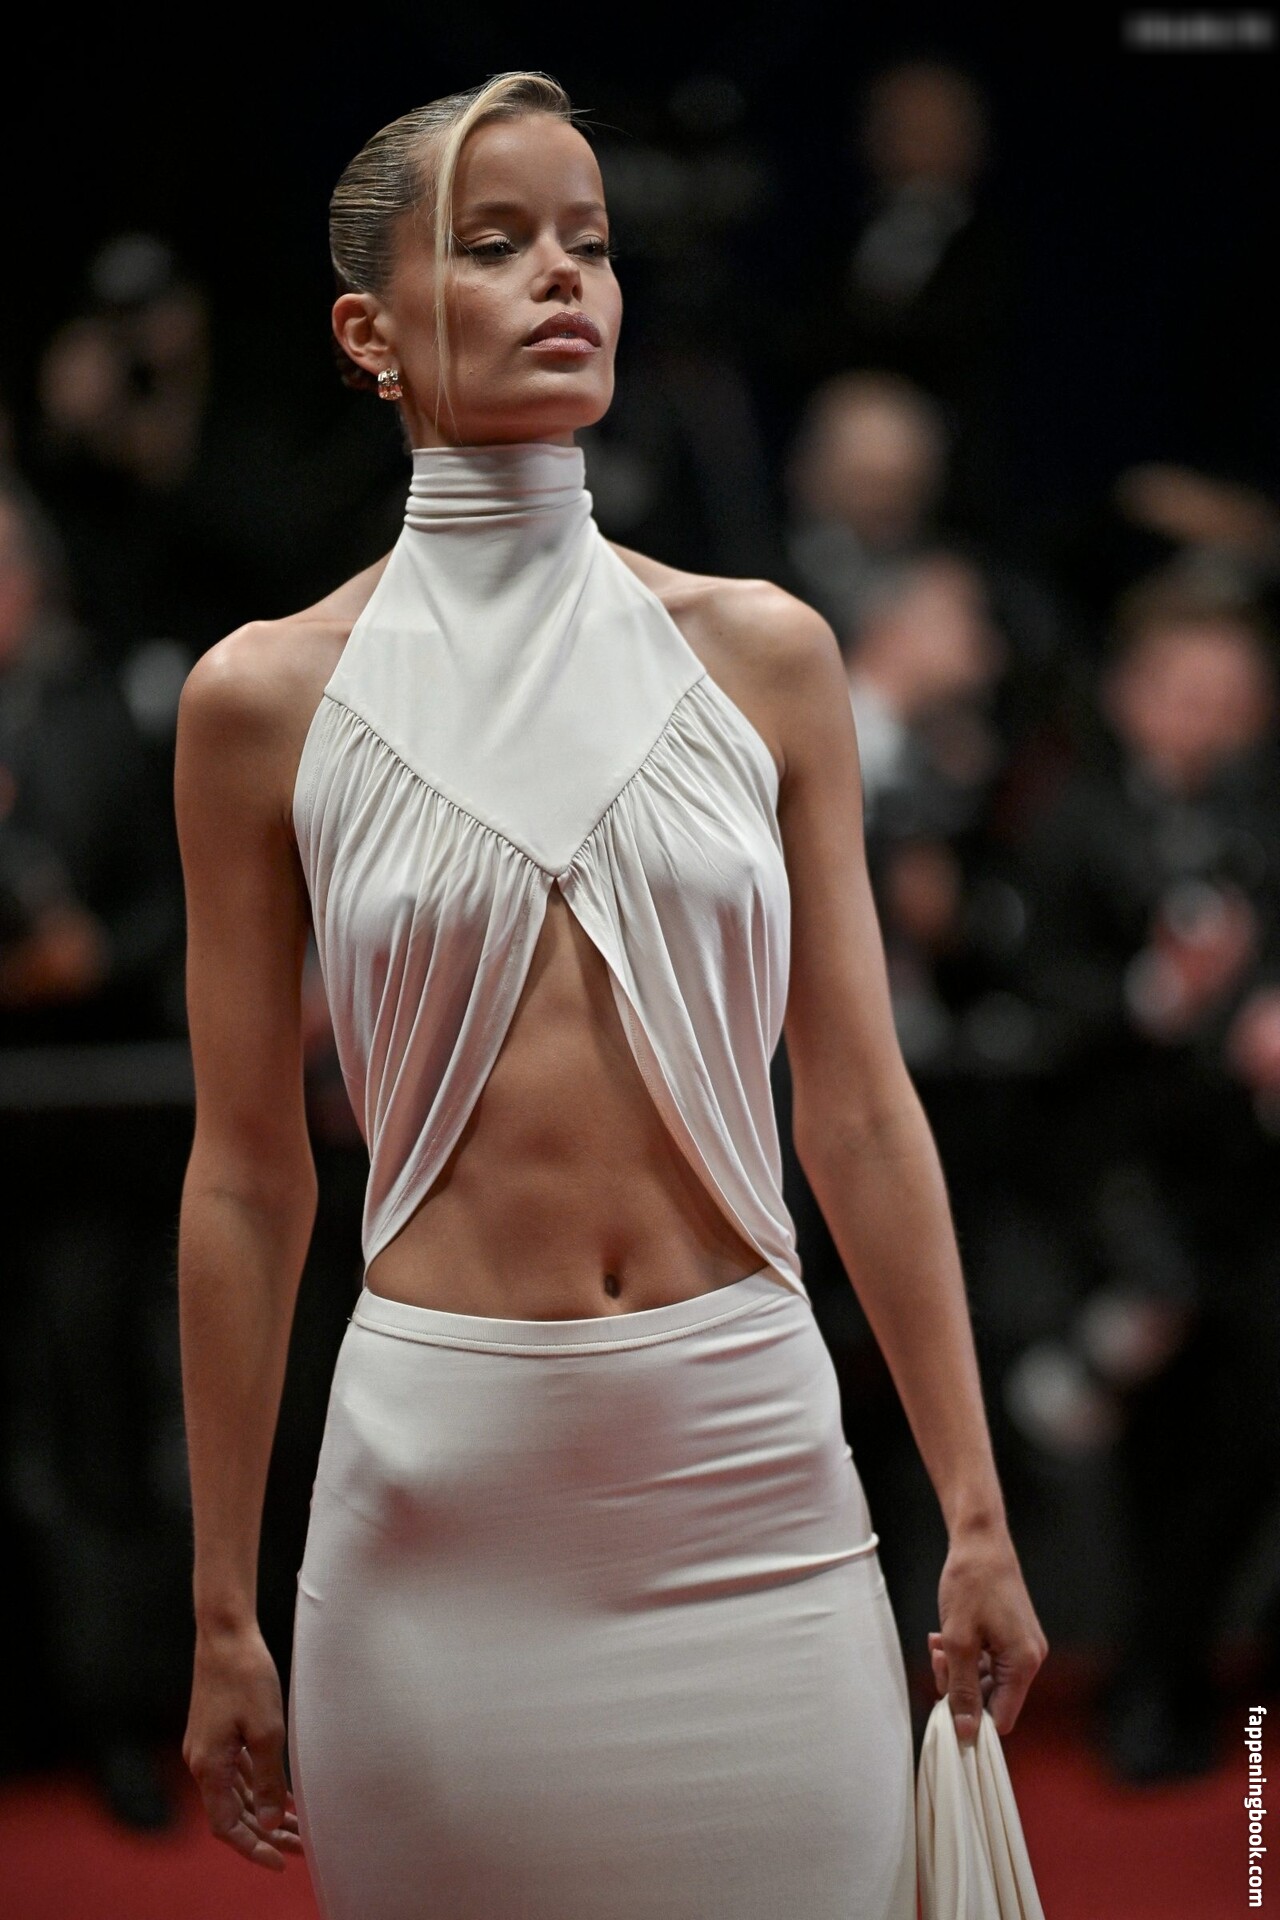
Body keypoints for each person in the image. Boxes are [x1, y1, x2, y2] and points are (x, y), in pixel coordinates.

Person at [174, 73, 1047, 1919]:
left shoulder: (768, 653)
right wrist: (221, 1605)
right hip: (440, 1508)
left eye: (589, 241)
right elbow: (247, 1175)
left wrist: (975, 1508)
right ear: (368, 333)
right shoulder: (259, 699)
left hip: (752, 1477)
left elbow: (859, 1108)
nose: (563, 278)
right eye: (495, 244)